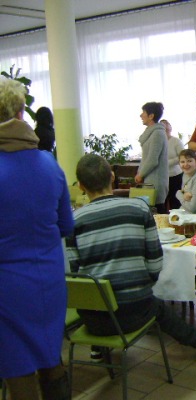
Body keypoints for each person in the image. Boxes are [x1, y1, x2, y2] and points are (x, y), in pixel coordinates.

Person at [66, 154, 196, 365]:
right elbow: (155, 263)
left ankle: (98, 347)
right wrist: (143, 284)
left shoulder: (73, 222)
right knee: (157, 307)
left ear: (81, 186)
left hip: (94, 321)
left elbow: (77, 274)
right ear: (112, 177)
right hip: (136, 312)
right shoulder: (138, 209)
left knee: (101, 289)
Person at [0, 78, 74, 399]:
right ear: (21, 113)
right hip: (49, 281)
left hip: (7, 287)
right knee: (49, 354)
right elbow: (66, 225)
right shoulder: (49, 164)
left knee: (17, 365)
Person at [135, 102, 168, 214]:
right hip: (148, 179)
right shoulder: (151, 132)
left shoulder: (158, 133)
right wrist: (140, 173)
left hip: (155, 181)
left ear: (151, 116)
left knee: (157, 213)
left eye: (143, 112)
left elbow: (153, 160)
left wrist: (141, 174)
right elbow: (146, 157)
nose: (141, 115)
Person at [161, 119, 184, 210]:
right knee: (162, 201)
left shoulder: (176, 141)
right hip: (162, 176)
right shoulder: (158, 141)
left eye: (167, 127)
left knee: (175, 201)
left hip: (175, 175)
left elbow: (182, 157)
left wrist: (167, 163)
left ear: (170, 129)